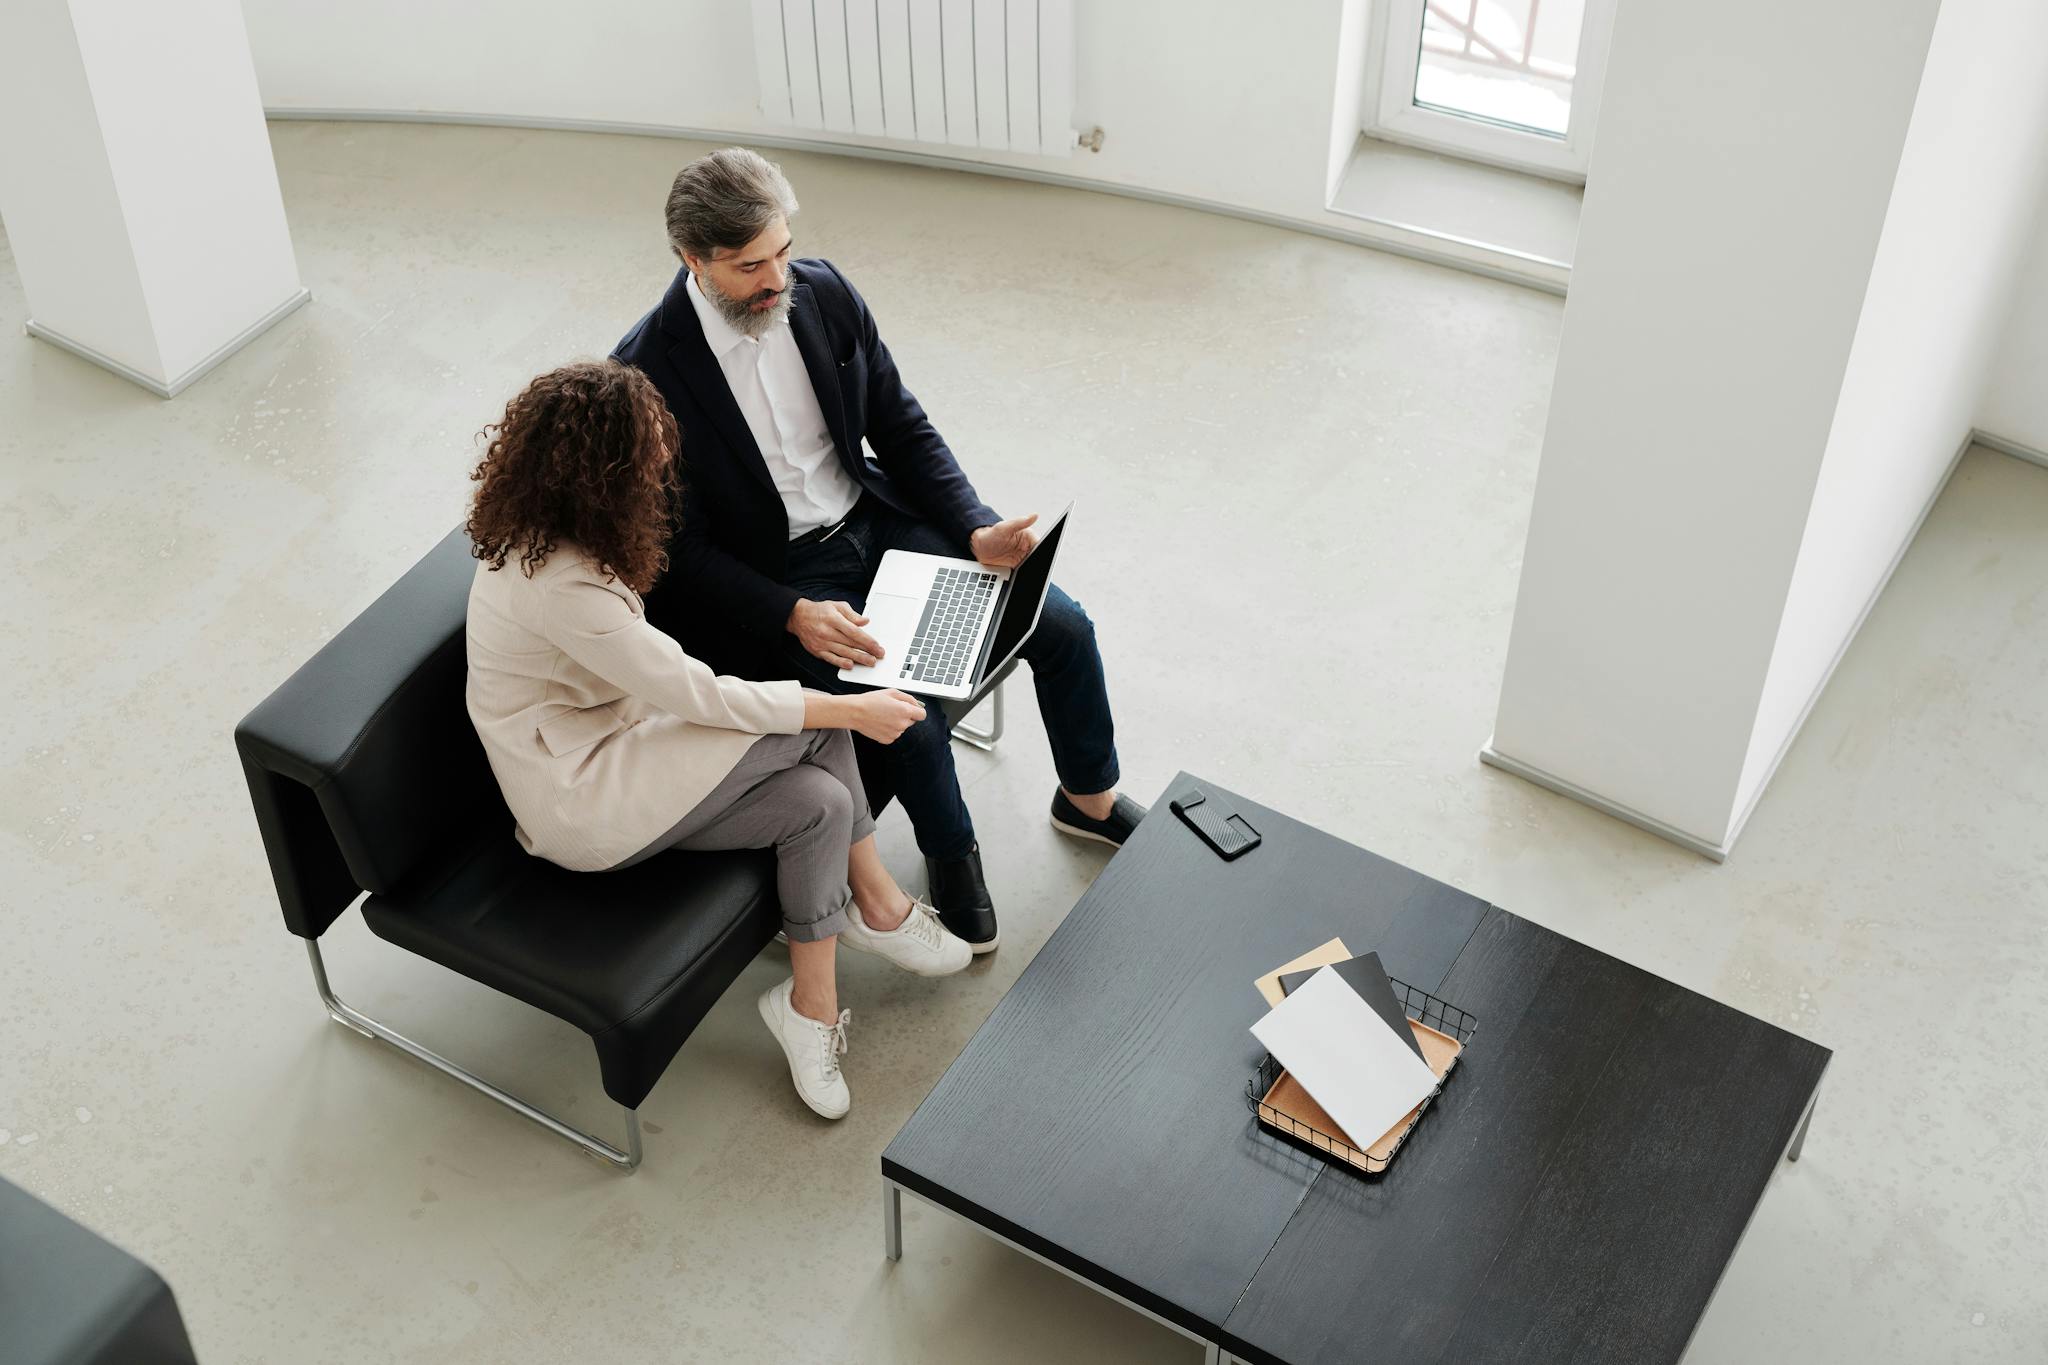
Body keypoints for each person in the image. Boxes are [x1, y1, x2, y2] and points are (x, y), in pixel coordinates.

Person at [612, 147, 1147, 956]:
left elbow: (898, 423)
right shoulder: (645, 374)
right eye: (749, 264)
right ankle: (951, 855)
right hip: (781, 577)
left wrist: (971, 526)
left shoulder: (822, 292)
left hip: (878, 518)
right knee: (910, 717)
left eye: (782, 250)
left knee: (1061, 622)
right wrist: (790, 615)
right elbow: (676, 551)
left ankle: (1088, 798)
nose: (775, 277)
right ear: (692, 259)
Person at [462, 359, 975, 1121]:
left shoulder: (558, 533)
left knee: (819, 805)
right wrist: (855, 712)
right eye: (647, 458)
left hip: (624, 738)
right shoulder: (562, 585)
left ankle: (811, 1006)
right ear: (601, 474)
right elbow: (694, 693)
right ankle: (879, 904)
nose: (664, 468)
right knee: (820, 723)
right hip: (579, 795)